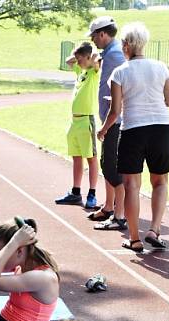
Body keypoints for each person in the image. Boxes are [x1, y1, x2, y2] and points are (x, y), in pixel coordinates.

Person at [98, 22, 169, 252]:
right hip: (161, 128)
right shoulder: (161, 67)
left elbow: (115, 111)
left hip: (133, 130)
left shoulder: (120, 72)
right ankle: (154, 229)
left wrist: (103, 130)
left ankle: (134, 239)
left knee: (131, 185)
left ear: (127, 45)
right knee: (160, 181)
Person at [86, 16, 128, 231]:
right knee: (107, 164)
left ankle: (119, 215)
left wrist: (110, 120)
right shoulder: (109, 54)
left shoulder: (116, 55)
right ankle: (109, 206)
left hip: (115, 121)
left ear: (102, 34)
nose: (92, 40)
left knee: (113, 168)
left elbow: (123, 87)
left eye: (94, 35)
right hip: (110, 119)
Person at [54, 42, 100, 209]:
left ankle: (92, 193)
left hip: (86, 121)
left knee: (91, 158)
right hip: (74, 122)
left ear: (88, 58)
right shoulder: (81, 71)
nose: (78, 62)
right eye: (79, 59)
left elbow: (96, 61)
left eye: (81, 59)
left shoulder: (94, 72)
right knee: (76, 157)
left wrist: (90, 56)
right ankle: (75, 192)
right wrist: (79, 55)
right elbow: (68, 61)